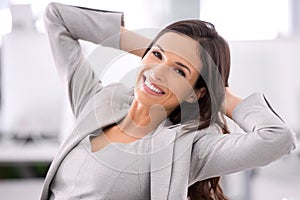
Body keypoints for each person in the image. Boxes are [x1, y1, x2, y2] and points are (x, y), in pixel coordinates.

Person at [40, 2, 296, 200]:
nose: (159, 73)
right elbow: (57, 18)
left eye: (179, 71)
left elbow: (277, 138)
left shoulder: (187, 148)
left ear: (195, 93)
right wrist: (159, 48)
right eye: (157, 56)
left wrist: (221, 92)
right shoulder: (99, 102)